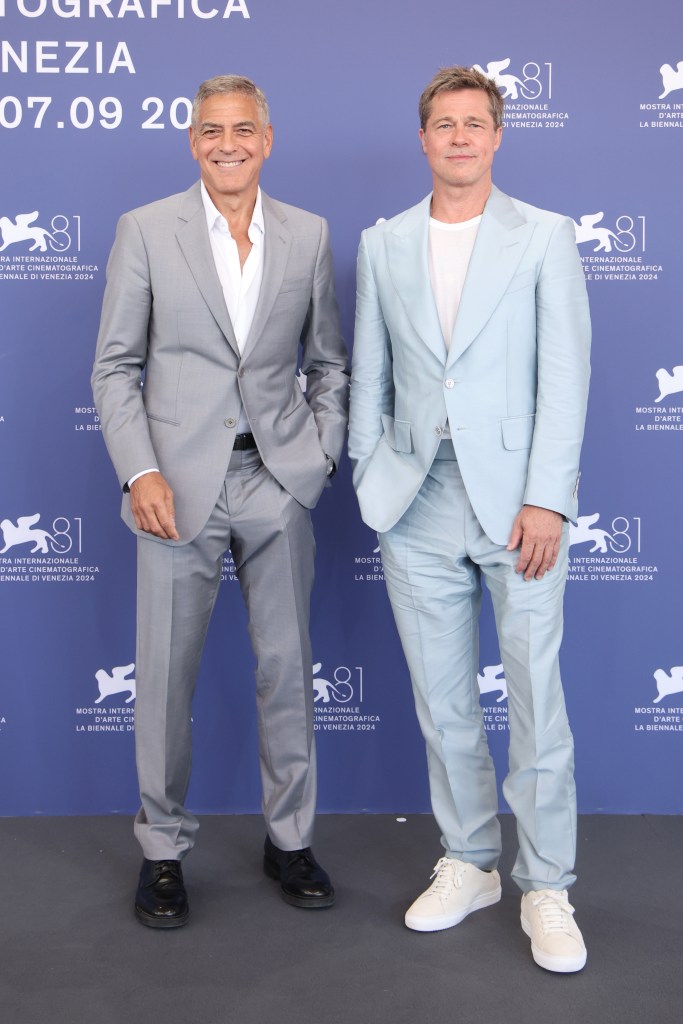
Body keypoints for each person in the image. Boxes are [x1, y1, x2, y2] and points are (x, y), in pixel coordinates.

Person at [348, 66, 591, 973]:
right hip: (414, 502)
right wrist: (372, 472)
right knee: (444, 705)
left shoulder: (543, 237)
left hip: (517, 507)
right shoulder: (383, 245)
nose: (457, 137)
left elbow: (565, 377)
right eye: (442, 124)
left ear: (496, 137)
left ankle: (547, 886)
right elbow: (368, 373)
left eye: (473, 124)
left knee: (534, 702)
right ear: (423, 139)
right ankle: (468, 861)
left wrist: (547, 497)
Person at [92, 75, 349, 928]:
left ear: (267, 139)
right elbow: (115, 367)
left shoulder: (306, 234)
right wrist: (141, 473)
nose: (228, 143)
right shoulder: (145, 230)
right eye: (211, 130)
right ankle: (162, 850)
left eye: (243, 129)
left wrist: (314, 457)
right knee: (164, 677)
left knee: (287, 671)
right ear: (192, 140)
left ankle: (290, 839)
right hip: (174, 489)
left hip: (276, 480)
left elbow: (329, 362)